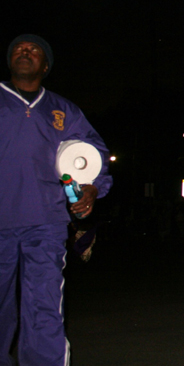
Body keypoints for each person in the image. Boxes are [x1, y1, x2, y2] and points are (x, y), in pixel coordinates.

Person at [1, 34, 112, 366]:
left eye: (34, 50)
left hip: (45, 223)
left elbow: (93, 155)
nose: (25, 52)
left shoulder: (63, 110)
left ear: (45, 66)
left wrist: (92, 187)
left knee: (44, 306)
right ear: (9, 61)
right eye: (19, 49)